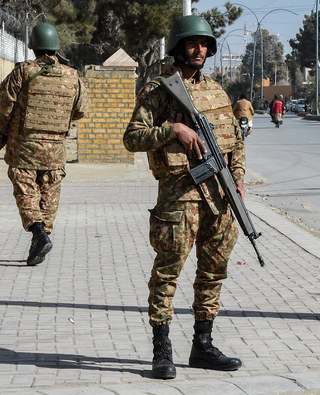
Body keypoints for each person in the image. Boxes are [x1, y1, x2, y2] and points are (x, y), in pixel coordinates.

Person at [123, 15, 245, 380]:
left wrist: (237, 178)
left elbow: (236, 142)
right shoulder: (158, 90)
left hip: (219, 199)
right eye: (193, 43)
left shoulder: (217, 91)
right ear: (178, 46)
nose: (200, 50)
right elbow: (132, 137)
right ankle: (162, 350)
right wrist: (173, 129)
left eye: (205, 44)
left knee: (213, 272)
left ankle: (203, 346)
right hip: (179, 199)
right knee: (167, 273)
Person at [0, 23, 88, 266]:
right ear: (55, 47)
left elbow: (2, 107)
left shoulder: (23, 72)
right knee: (49, 193)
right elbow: (81, 110)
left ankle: (38, 233)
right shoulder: (72, 75)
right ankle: (41, 239)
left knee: (26, 189)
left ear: (33, 47)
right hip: (56, 149)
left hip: (24, 147)